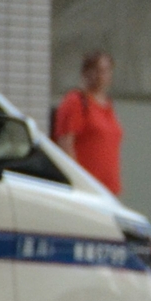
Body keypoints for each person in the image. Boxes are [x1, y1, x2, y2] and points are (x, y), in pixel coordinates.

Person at [52, 51, 121, 194]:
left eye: (106, 70)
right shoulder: (76, 101)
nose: (102, 75)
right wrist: (78, 182)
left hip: (108, 188)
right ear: (86, 73)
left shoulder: (107, 105)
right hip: (87, 188)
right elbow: (66, 144)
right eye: (97, 70)